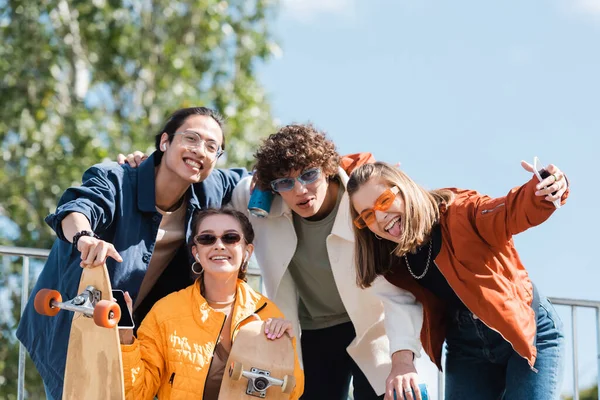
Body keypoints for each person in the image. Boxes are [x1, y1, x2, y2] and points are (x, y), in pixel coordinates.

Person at [17, 107, 247, 400]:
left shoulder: (210, 188)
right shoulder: (116, 178)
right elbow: (77, 209)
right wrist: (85, 238)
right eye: (191, 139)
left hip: (138, 340)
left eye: (212, 147)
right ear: (165, 142)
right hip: (76, 328)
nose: (200, 151)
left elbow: (255, 179)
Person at [230, 125, 424, 400]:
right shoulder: (257, 202)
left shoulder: (363, 203)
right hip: (311, 332)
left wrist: (403, 358)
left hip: (372, 326)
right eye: (284, 182)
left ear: (329, 168)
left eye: (309, 175)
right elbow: (217, 186)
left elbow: (399, 291)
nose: (300, 190)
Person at [347, 160, 569, 399]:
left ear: (404, 188)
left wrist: (545, 188)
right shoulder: (390, 258)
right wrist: (402, 362)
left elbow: (509, 211)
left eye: (384, 201)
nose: (380, 217)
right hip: (466, 349)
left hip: (527, 331)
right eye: (367, 216)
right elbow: (400, 308)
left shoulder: (460, 212)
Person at [117, 208, 304, 399]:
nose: (219, 245)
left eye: (230, 237)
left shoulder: (268, 313)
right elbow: (136, 394)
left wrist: (283, 348)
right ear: (196, 252)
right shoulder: (165, 312)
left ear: (247, 251)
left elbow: (292, 393)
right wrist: (125, 340)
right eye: (207, 239)